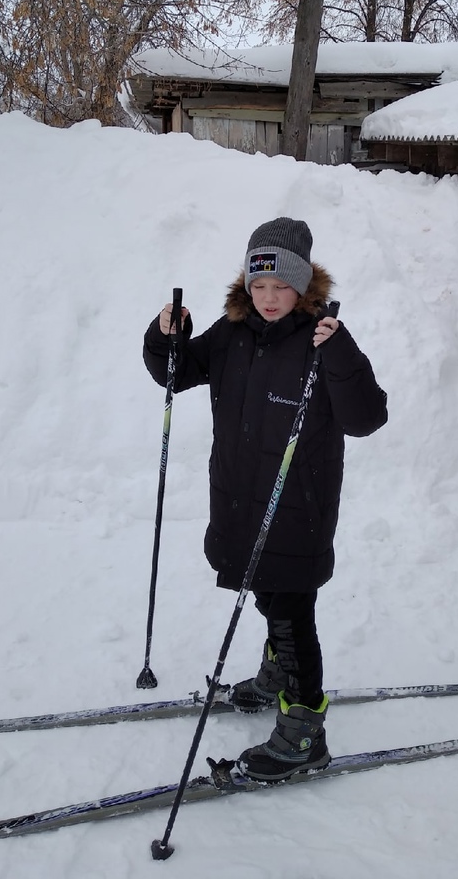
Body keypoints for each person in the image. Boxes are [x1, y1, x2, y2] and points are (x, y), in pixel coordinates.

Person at [143, 217, 387, 781]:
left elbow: (366, 417)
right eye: (259, 285)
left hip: (296, 509)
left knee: (293, 615)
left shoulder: (323, 340)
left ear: (302, 287)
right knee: (268, 599)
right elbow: (175, 374)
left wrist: (342, 353)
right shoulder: (232, 334)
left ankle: (304, 731)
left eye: (281, 286)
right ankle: (275, 677)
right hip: (237, 498)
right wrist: (166, 336)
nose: (269, 298)